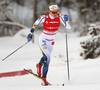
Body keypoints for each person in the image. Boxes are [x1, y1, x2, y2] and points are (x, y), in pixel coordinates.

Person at [27, 3, 71, 85]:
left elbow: (68, 27)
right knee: (48, 59)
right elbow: (35, 24)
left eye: (57, 12)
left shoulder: (60, 17)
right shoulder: (44, 17)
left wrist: (67, 20)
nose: (55, 14)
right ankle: (44, 79)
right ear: (49, 11)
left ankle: (39, 65)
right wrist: (30, 34)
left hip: (51, 41)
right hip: (43, 40)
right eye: (53, 12)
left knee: (45, 57)